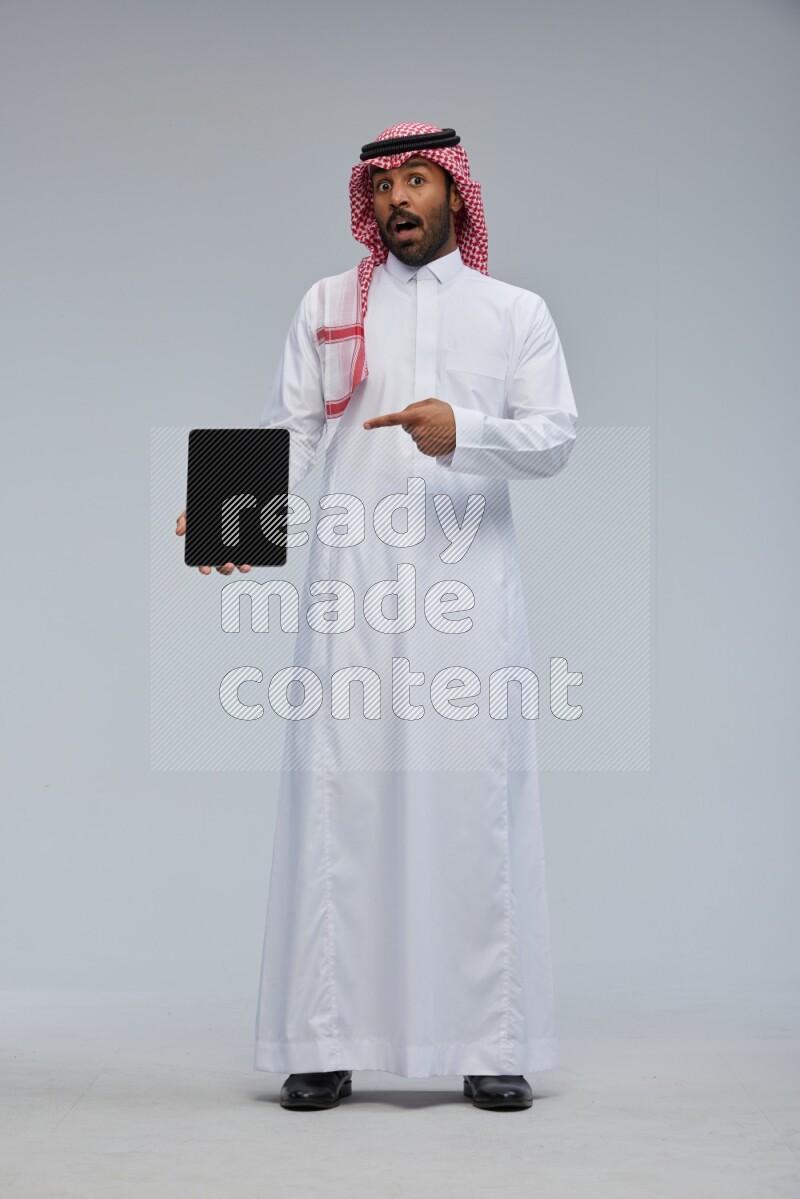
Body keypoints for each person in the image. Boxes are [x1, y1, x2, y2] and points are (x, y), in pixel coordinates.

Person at [176, 122, 578, 1112]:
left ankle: (490, 1041)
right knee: (338, 801)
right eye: (383, 185)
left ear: (453, 195)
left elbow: (553, 436)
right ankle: (323, 1038)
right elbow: (292, 430)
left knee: (470, 803)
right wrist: (232, 517)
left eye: (416, 181)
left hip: (466, 602)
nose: (398, 200)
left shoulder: (512, 311)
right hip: (350, 590)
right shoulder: (327, 306)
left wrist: (463, 430)